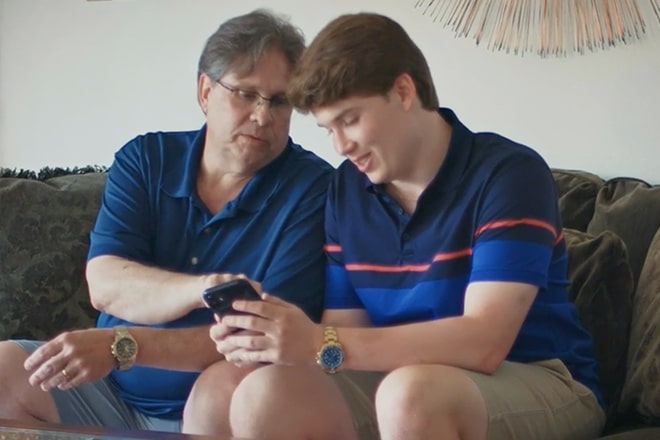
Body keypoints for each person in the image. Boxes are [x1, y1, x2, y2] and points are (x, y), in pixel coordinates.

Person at [205, 12, 606, 440]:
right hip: (400, 380)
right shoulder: (346, 190)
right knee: (262, 392)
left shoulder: (508, 174)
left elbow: (485, 343)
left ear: (403, 90)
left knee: (410, 394)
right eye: (328, 129)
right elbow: (347, 331)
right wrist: (278, 338)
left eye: (350, 120)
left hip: (540, 376)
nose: (341, 146)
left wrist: (318, 341)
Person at [0, 9, 333, 436]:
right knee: (8, 368)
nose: (262, 116)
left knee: (225, 386)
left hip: (223, 398)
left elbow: (262, 342)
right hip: (111, 392)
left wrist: (124, 346)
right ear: (205, 91)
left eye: (279, 100)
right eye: (245, 94)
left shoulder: (313, 191)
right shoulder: (146, 161)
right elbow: (106, 283)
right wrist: (201, 291)